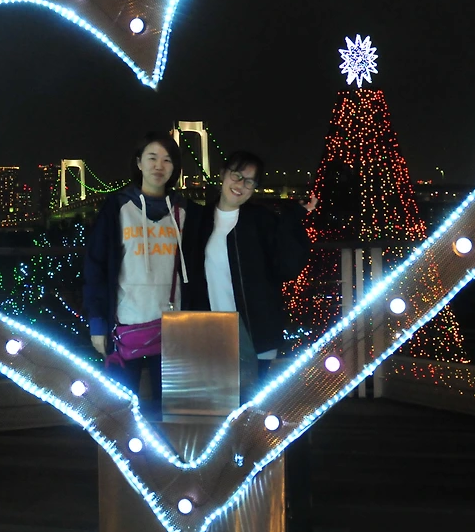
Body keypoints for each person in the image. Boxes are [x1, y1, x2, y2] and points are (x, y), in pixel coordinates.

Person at [182, 151, 316, 386]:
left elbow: (287, 267)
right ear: (223, 174)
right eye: (236, 175)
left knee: (249, 404)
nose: (240, 185)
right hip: (211, 332)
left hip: (256, 334)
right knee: (218, 402)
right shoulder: (199, 220)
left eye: (249, 181)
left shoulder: (262, 220)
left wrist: (293, 219)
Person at [84, 133, 188, 409]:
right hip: (125, 326)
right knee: (122, 410)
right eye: (152, 158)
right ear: (139, 163)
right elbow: (96, 265)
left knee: (170, 410)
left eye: (167, 160)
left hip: (174, 328)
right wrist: (98, 322)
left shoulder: (185, 211)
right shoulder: (117, 207)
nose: (159, 165)